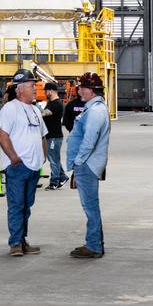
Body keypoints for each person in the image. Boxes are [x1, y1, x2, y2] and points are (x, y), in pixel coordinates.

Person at [0, 70, 46, 256]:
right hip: (18, 167)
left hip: (34, 167)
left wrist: (43, 156)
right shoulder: (10, 109)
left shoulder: (35, 110)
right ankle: (15, 243)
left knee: (26, 206)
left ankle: (22, 240)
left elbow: (42, 135)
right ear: (20, 89)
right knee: (16, 205)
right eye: (32, 86)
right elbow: (2, 135)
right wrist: (13, 158)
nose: (35, 89)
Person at [66, 71, 110, 259]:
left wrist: (77, 163)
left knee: (90, 206)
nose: (79, 91)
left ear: (90, 90)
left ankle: (94, 246)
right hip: (88, 164)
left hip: (87, 164)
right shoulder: (94, 109)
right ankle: (95, 243)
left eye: (82, 88)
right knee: (91, 206)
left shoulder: (94, 112)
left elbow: (88, 141)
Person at [42, 82, 68, 189]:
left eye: (45, 91)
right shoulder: (50, 102)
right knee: (54, 158)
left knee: (53, 159)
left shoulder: (56, 104)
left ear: (50, 91)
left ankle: (54, 182)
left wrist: (35, 108)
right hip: (50, 136)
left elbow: (45, 113)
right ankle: (62, 177)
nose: (44, 93)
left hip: (54, 136)